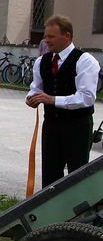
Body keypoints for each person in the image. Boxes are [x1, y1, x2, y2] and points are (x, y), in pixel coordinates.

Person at [26, 15, 100, 187]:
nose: (46, 40)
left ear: (67, 36)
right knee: (50, 173)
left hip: (77, 126)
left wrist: (53, 100)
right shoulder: (42, 61)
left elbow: (87, 97)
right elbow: (36, 87)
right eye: (46, 36)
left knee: (77, 174)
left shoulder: (85, 61)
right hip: (51, 124)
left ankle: (78, 204)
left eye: (51, 36)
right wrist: (31, 97)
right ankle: (51, 204)